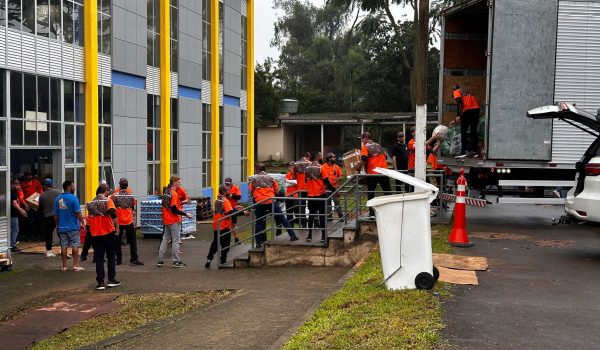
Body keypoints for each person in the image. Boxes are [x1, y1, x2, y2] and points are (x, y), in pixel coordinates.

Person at [249, 164, 299, 247]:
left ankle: (258, 243)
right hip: (270, 201)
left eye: (256, 169)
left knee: (259, 222)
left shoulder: (254, 179)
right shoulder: (271, 178)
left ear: (258, 170)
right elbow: (278, 191)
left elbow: (251, 191)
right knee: (282, 218)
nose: (255, 171)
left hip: (260, 202)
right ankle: (293, 235)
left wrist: (256, 197)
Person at [87, 184, 121, 290]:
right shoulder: (107, 201)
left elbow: (89, 219)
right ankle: (111, 279)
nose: (108, 193)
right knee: (111, 255)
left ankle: (100, 282)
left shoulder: (91, 202)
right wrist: (117, 227)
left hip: (95, 233)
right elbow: (112, 213)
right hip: (107, 232)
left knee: (99, 258)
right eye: (108, 191)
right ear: (105, 191)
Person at [205, 185, 246, 268]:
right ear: (224, 192)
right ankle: (223, 260)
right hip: (224, 226)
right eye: (227, 190)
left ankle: (209, 259)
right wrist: (243, 213)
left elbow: (226, 210)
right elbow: (230, 213)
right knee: (226, 245)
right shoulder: (225, 201)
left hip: (217, 225)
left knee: (215, 243)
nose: (229, 192)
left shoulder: (217, 200)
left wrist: (235, 208)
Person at [158, 176, 192, 268]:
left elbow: (168, 206)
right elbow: (173, 209)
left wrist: (180, 204)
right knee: (176, 241)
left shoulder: (166, 192)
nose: (180, 184)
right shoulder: (174, 194)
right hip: (174, 220)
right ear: (174, 183)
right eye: (178, 182)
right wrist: (185, 214)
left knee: (165, 239)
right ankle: (176, 261)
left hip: (166, 220)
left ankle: (160, 260)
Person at [111, 178, 143, 266]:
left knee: (117, 241)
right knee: (132, 240)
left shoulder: (114, 196)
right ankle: (134, 258)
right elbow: (132, 206)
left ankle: (119, 259)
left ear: (119, 185)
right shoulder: (131, 196)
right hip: (128, 221)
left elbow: (111, 206)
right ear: (127, 185)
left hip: (119, 221)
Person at [358, 132, 391, 218]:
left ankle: (372, 213)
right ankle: (392, 210)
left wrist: (357, 169)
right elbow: (386, 157)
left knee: (371, 192)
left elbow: (364, 158)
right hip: (383, 171)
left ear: (365, 138)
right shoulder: (378, 145)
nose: (361, 141)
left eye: (362, 139)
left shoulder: (365, 147)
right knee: (387, 191)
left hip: (373, 173)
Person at [54, 180, 85, 272]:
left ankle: (64, 266)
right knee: (75, 246)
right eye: (73, 186)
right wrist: (83, 223)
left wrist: (57, 225)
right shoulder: (74, 198)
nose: (74, 188)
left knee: (63, 246)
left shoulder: (59, 199)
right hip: (73, 227)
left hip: (62, 227)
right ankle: (75, 265)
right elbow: (78, 213)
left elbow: (55, 215)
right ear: (69, 187)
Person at [306, 152, 335, 242]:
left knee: (311, 215)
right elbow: (326, 181)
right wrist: (334, 191)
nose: (322, 157)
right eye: (321, 156)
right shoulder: (321, 167)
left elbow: (305, 180)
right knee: (322, 215)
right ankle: (323, 236)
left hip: (310, 195)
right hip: (320, 194)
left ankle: (309, 235)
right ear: (318, 157)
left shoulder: (307, 168)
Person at [452, 86, 480, 158]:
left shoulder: (456, 92)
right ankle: (475, 151)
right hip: (476, 110)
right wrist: (456, 120)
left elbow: (459, 102)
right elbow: (470, 104)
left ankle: (463, 152)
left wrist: (458, 115)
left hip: (467, 111)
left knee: (463, 131)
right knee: (474, 131)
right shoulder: (468, 91)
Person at [37, 179, 61, 258]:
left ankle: (49, 251)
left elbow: (40, 208)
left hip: (48, 217)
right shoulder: (59, 193)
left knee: (49, 234)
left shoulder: (42, 195)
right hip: (58, 216)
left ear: (44, 186)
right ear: (52, 185)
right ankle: (63, 250)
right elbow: (62, 205)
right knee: (61, 234)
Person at [321, 152, 344, 219]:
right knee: (328, 203)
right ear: (329, 158)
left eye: (334, 157)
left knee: (337, 202)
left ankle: (341, 216)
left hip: (335, 188)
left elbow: (341, 176)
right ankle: (329, 217)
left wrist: (339, 178)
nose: (334, 158)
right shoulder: (323, 167)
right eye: (332, 157)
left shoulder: (336, 167)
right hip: (326, 188)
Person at [293, 152, 311, 227]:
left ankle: (303, 223)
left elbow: (294, 176)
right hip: (309, 188)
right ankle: (314, 221)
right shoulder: (310, 163)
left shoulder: (296, 164)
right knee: (312, 206)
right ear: (309, 157)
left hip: (300, 188)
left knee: (302, 206)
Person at [10, 179, 27, 253]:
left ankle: (10, 245)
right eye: (17, 185)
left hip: (12, 214)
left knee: (11, 230)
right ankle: (13, 246)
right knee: (15, 229)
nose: (18, 186)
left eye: (19, 185)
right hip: (12, 215)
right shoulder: (13, 192)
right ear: (12, 184)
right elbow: (14, 203)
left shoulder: (12, 192)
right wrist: (21, 210)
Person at [224, 177, 243, 244]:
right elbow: (220, 197)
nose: (227, 185)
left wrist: (232, 196)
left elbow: (239, 197)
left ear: (231, 183)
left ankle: (236, 238)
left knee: (234, 224)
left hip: (233, 208)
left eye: (228, 183)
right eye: (226, 183)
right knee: (226, 225)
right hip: (225, 209)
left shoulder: (235, 188)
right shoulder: (223, 188)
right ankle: (227, 239)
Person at [284, 161, 300, 227]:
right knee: (289, 212)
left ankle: (300, 226)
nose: (290, 167)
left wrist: (288, 181)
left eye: (292, 166)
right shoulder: (287, 174)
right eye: (289, 166)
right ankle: (290, 227)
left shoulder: (298, 174)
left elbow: (298, 182)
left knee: (297, 212)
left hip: (296, 196)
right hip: (288, 195)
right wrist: (291, 182)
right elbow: (287, 184)